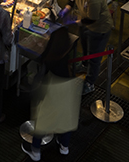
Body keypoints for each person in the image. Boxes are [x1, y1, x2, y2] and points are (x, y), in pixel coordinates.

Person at [24, 23, 83, 160]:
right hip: (67, 87)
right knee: (66, 118)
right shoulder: (65, 52)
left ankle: (36, 152)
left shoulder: (50, 56)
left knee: (42, 121)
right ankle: (64, 147)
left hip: (51, 88)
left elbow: (41, 61)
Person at [74, 0, 113, 94]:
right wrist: (68, 8)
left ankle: (90, 83)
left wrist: (79, 22)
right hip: (86, 24)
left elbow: (92, 18)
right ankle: (85, 65)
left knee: (94, 57)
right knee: (85, 48)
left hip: (99, 29)